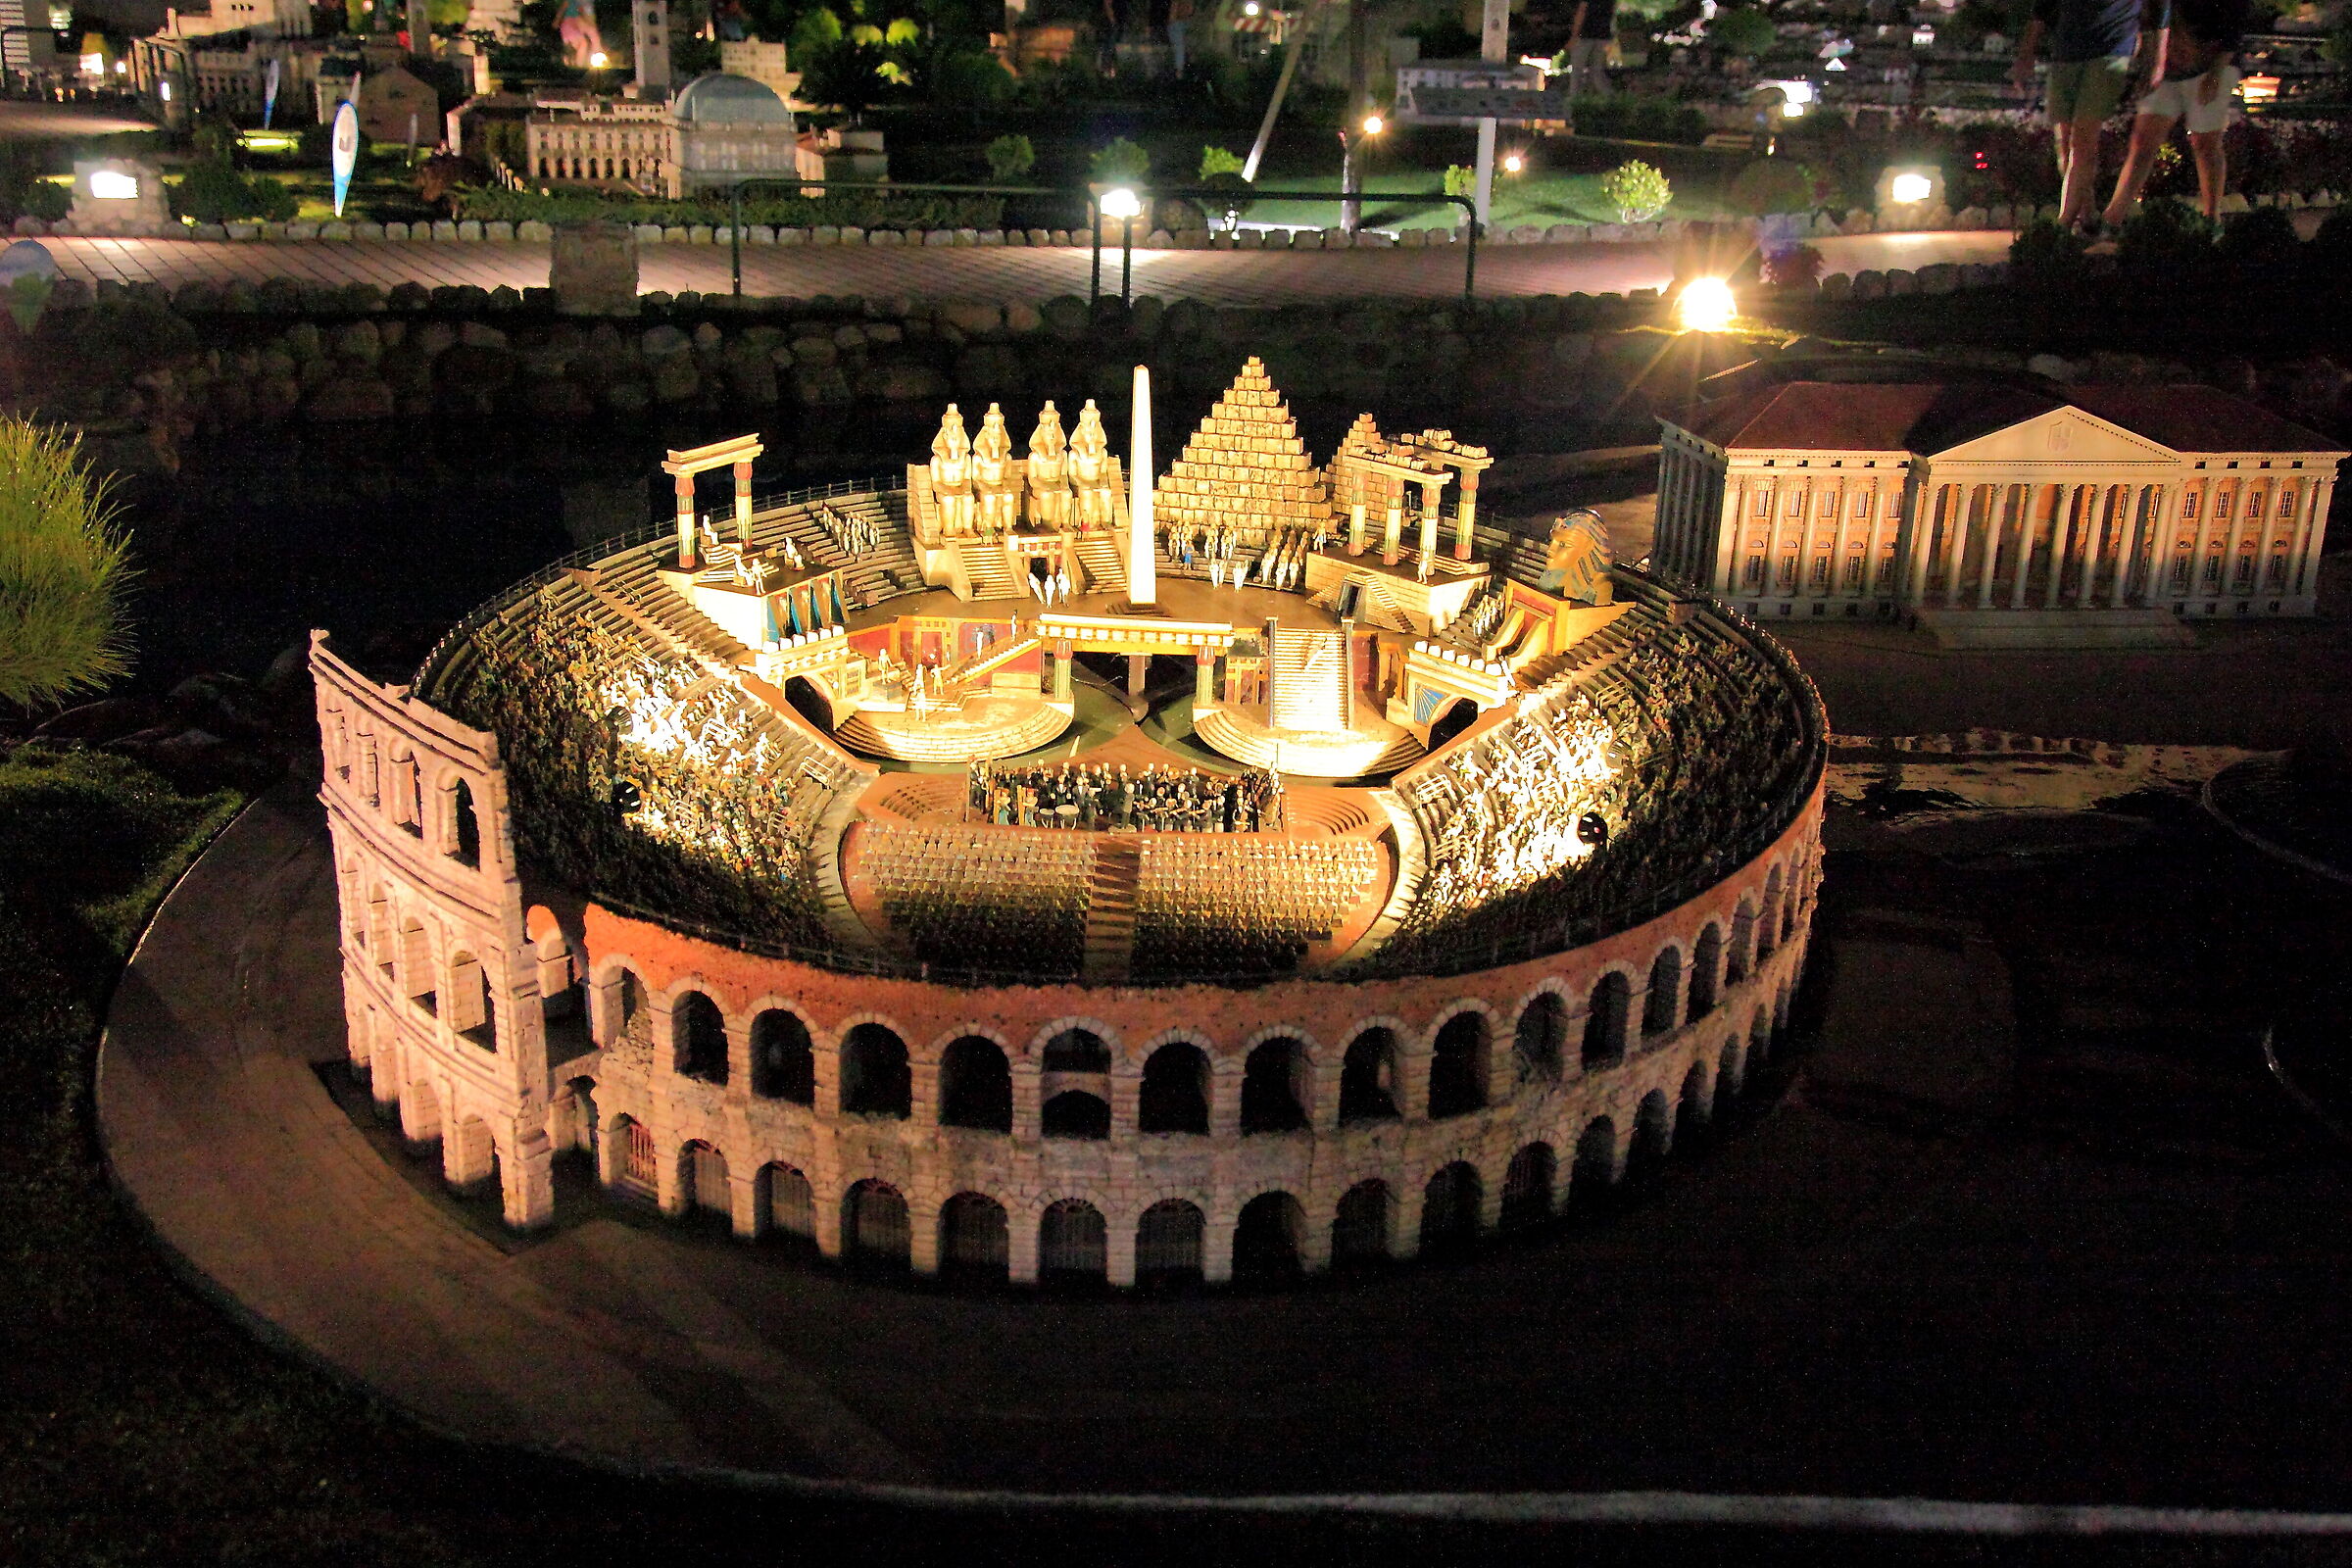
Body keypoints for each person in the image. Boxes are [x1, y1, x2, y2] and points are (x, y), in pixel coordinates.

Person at [2013, 0, 2169, 233]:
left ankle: (2063, 225)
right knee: (2064, 144)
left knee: (2082, 143)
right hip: (2066, 50)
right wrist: (2026, 54)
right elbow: (2042, 9)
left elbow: (2160, 10)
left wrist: (2158, 59)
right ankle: (2086, 215)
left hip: (2110, 50)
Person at [2101, 0, 2247, 223]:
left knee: (2205, 141)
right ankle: (2113, 216)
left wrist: (2216, 72)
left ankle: (2211, 216)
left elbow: (2234, 26)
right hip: (2168, 64)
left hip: (2210, 61)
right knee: (2143, 141)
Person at [1567, 0, 1615, 102]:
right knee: (1597, 72)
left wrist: (1573, 36)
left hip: (1585, 35)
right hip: (1603, 35)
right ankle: (1610, 99)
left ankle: (1574, 102)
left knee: (1577, 72)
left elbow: (1582, 11)